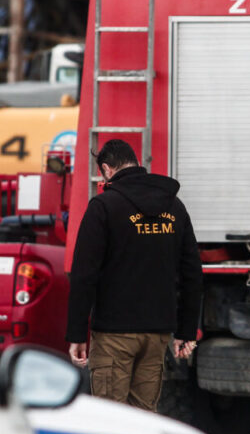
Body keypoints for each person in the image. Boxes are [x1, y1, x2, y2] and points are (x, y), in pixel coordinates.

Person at [66, 139, 203, 412]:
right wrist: (186, 331)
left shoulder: (103, 206)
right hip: (157, 334)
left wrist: (77, 334)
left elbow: (84, 275)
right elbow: (192, 273)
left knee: (110, 419)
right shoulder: (175, 208)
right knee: (143, 420)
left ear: (107, 169)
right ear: (136, 163)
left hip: (114, 333)